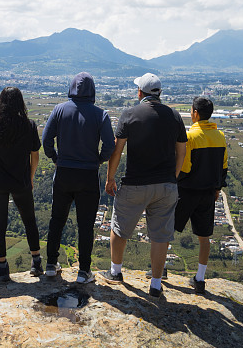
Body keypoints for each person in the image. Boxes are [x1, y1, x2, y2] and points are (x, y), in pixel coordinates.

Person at [102, 73, 187, 297]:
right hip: (166, 185)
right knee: (161, 235)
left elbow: (117, 149)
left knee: (119, 227)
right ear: (159, 93)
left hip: (135, 183)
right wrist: (173, 177)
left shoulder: (130, 114)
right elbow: (182, 151)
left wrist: (110, 178)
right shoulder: (174, 116)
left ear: (140, 93)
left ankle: (115, 272)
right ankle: (156, 284)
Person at [42, 72, 114, 284]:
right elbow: (110, 145)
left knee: (57, 219)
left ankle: (50, 265)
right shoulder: (101, 115)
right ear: (92, 90)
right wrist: (99, 160)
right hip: (88, 175)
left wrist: (55, 158)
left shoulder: (59, 110)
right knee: (86, 224)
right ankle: (83, 271)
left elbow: (46, 140)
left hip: (64, 172)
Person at [0, 87, 42, 281]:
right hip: (21, 181)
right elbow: (35, 155)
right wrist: (30, 177)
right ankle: (36, 262)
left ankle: (2, 267)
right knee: (29, 220)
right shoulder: (29, 126)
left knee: (0, 223)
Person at [174, 96, 228, 295]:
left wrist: (174, 182)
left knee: (166, 229)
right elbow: (223, 168)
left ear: (195, 113)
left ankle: (159, 271)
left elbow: (185, 169)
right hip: (207, 194)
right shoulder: (220, 136)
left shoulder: (190, 137)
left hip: (186, 192)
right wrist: (217, 189)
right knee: (204, 238)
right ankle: (200, 279)